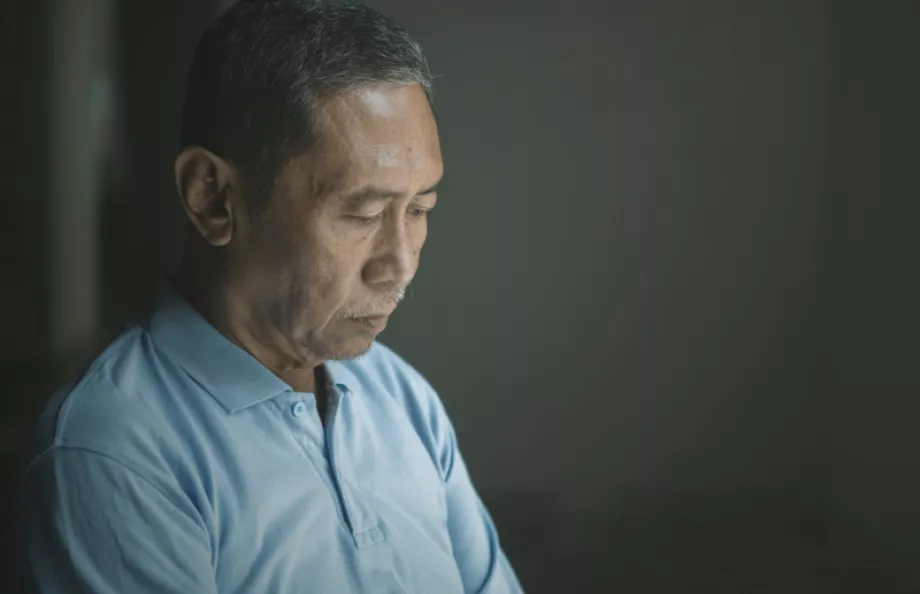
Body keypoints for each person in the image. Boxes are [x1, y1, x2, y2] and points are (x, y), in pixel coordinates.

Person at [19, 1, 523, 592]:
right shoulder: (115, 451)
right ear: (212, 198)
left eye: (418, 209)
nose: (402, 264)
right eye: (361, 214)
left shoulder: (404, 401)